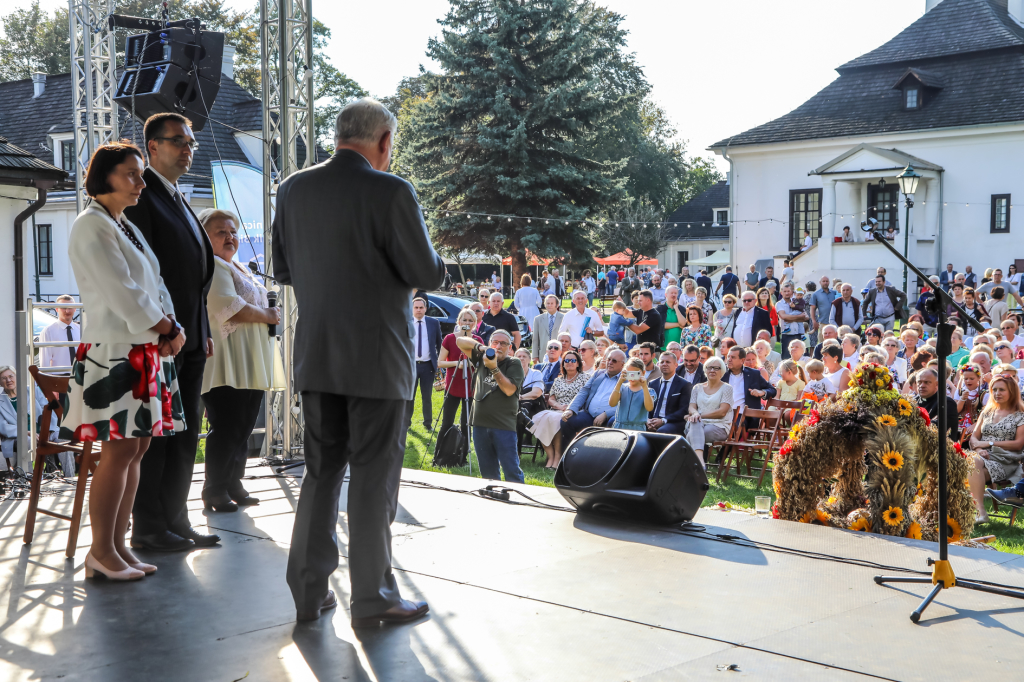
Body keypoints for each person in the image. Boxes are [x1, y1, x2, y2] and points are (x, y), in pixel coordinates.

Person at [274, 99, 444, 626]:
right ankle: (372, 597)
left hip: (319, 355)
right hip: (377, 360)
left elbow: (284, 269)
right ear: (384, 141)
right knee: (373, 478)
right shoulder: (391, 190)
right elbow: (427, 272)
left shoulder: (292, 189)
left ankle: (308, 591)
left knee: (321, 474)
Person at [64, 142, 186, 580]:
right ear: (105, 176)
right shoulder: (90, 225)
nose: (140, 182)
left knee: (137, 448)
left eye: (141, 174)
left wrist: (171, 326)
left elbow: (154, 283)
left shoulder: (123, 224)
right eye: (132, 174)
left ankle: (117, 545)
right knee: (117, 453)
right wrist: (167, 329)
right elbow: (123, 293)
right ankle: (100, 551)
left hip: (143, 346)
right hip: (116, 350)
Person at [123, 113, 217, 552]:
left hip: (191, 337)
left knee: (185, 432)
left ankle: (177, 519)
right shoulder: (143, 198)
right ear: (152, 148)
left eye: (191, 142)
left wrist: (202, 329)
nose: (187, 149)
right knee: (159, 438)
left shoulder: (177, 196)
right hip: (161, 339)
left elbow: (193, 276)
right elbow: (144, 275)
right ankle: (149, 526)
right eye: (178, 141)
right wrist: (164, 327)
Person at [198, 208, 284, 512]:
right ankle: (214, 489)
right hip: (226, 361)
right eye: (221, 231)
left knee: (243, 425)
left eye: (233, 231)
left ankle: (233, 482)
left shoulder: (238, 268)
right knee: (227, 426)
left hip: (249, 360)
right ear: (204, 237)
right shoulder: (213, 266)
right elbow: (228, 307)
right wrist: (268, 315)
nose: (230, 236)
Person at [966, 375, 1024, 522]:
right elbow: (974, 438)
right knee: (970, 463)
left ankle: (979, 512)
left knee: (968, 466)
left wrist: (989, 443)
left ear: (1012, 391)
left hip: (1006, 460)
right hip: (981, 457)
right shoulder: (987, 412)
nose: (997, 393)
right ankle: (980, 512)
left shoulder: (1020, 415)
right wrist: (979, 450)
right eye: (994, 389)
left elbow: (1019, 444)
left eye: (1002, 390)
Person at [436, 308, 482, 465]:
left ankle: (462, 458)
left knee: (466, 424)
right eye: (465, 320)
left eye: (471, 321)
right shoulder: (449, 339)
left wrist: (473, 364)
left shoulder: (478, 341)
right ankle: (438, 456)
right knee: (446, 422)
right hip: (453, 386)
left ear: (475, 323)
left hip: (470, 388)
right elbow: (440, 362)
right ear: (459, 321)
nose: (467, 323)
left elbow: (482, 364)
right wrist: (459, 364)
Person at [529, 349, 589, 468]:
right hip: (557, 409)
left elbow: (587, 397)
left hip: (575, 412)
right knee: (538, 419)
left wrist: (570, 408)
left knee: (555, 419)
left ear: (578, 363)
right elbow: (551, 399)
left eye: (573, 360)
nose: (569, 362)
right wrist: (559, 406)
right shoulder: (558, 380)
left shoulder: (586, 378)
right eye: (567, 360)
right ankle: (551, 456)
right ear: (563, 363)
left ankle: (557, 457)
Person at [0, 366, 60, 472]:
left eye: (11, 376)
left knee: (62, 437)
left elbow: (49, 410)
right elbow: (3, 427)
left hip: (45, 431)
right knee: (26, 441)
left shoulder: (33, 391)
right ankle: (28, 478)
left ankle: (70, 476)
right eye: (4, 378)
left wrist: (47, 430)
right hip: (18, 436)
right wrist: (26, 432)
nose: (8, 380)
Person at [561, 349, 627, 441]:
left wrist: (606, 414)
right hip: (590, 415)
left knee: (614, 422)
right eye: (609, 359)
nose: (610, 362)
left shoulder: (626, 380)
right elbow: (584, 391)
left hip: (610, 418)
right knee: (567, 420)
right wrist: (571, 409)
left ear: (622, 364)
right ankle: (570, 452)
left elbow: (626, 404)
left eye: (614, 361)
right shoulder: (598, 373)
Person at [684, 356, 734, 467]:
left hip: (719, 426)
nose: (712, 370)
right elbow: (691, 407)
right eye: (709, 367)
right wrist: (695, 414)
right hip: (698, 423)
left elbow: (722, 412)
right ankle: (700, 462)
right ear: (705, 370)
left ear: (722, 371)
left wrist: (699, 415)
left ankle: (694, 463)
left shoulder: (727, 388)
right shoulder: (697, 388)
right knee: (696, 424)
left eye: (716, 368)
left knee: (692, 433)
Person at [405, 297, 444, 430]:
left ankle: (428, 424)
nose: (419, 310)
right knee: (409, 396)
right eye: (416, 307)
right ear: (412, 309)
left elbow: (440, 343)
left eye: (421, 307)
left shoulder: (433, 322)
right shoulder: (406, 322)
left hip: (428, 365)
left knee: (427, 396)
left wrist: (440, 362)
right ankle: (406, 423)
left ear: (425, 309)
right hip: (411, 366)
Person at [647, 352, 692, 435]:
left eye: (668, 362)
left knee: (662, 431)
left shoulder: (684, 384)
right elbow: (647, 406)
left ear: (676, 365)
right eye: (662, 362)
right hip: (653, 420)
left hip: (672, 421)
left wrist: (663, 420)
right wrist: (647, 420)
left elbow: (684, 410)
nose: (664, 364)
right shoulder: (652, 383)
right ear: (658, 364)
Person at [725, 346, 776, 421]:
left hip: (743, 415)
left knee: (733, 425)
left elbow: (772, 390)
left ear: (742, 360)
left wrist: (761, 392)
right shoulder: (722, 374)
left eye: (733, 357)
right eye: (728, 357)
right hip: (722, 413)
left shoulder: (753, 374)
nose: (729, 360)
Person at [609, 358, 656, 432]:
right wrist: (619, 382)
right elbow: (612, 403)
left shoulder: (649, 391)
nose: (632, 377)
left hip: (638, 429)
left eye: (636, 374)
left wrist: (644, 387)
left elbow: (649, 408)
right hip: (619, 428)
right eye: (630, 374)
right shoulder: (622, 388)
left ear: (643, 373)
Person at [916, 368, 959, 442]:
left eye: (927, 382)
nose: (922, 385)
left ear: (937, 384)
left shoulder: (946, 403)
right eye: (919, 382)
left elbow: (937, 429)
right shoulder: (911, 402)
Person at [40, 295, 81, 370]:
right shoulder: (48, 331)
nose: (67, 311)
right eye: (63, 308)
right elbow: (45, 362)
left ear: (75, 309)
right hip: (58, 377)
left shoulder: (80, 330)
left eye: (70, 307)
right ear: (56, 309)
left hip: (78, 377)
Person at [775, 283, 807, 360]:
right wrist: (799, 317)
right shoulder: (779, 304)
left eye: (788, 291)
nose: (787, 293)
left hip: (798, 333)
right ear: (781, 293)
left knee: (800, 356)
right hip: (787, 334)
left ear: (792, 292)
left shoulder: (797, 301)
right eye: (785, 291)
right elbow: (783, 316)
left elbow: (806, 317)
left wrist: (789, 318)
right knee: (787, 357)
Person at [531, 294, 564, 362]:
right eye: (548, 303)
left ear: (557, 305)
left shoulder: (564, 318)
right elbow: (535, 339)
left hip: (558, 354)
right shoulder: (538, 319)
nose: (549, 305)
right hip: (543, 353)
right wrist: (534, 356)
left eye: (552, 303)